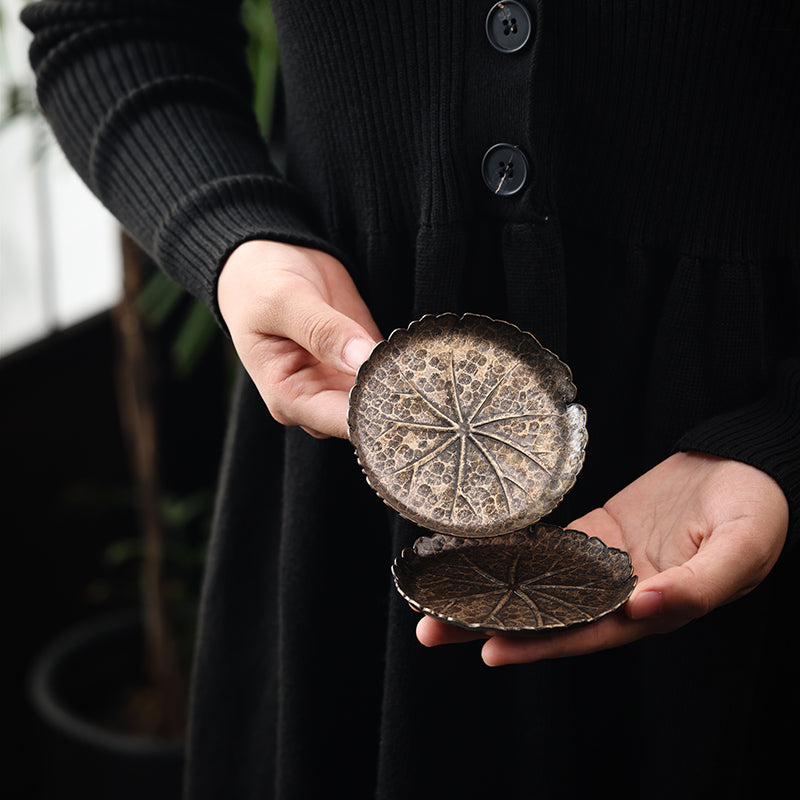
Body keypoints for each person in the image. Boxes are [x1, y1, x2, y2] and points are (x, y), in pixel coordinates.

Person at [23, 1, 799, 797]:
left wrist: (784, 433)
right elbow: (110, 28)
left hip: (742, 492)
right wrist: (239, 239)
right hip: (341, 488)